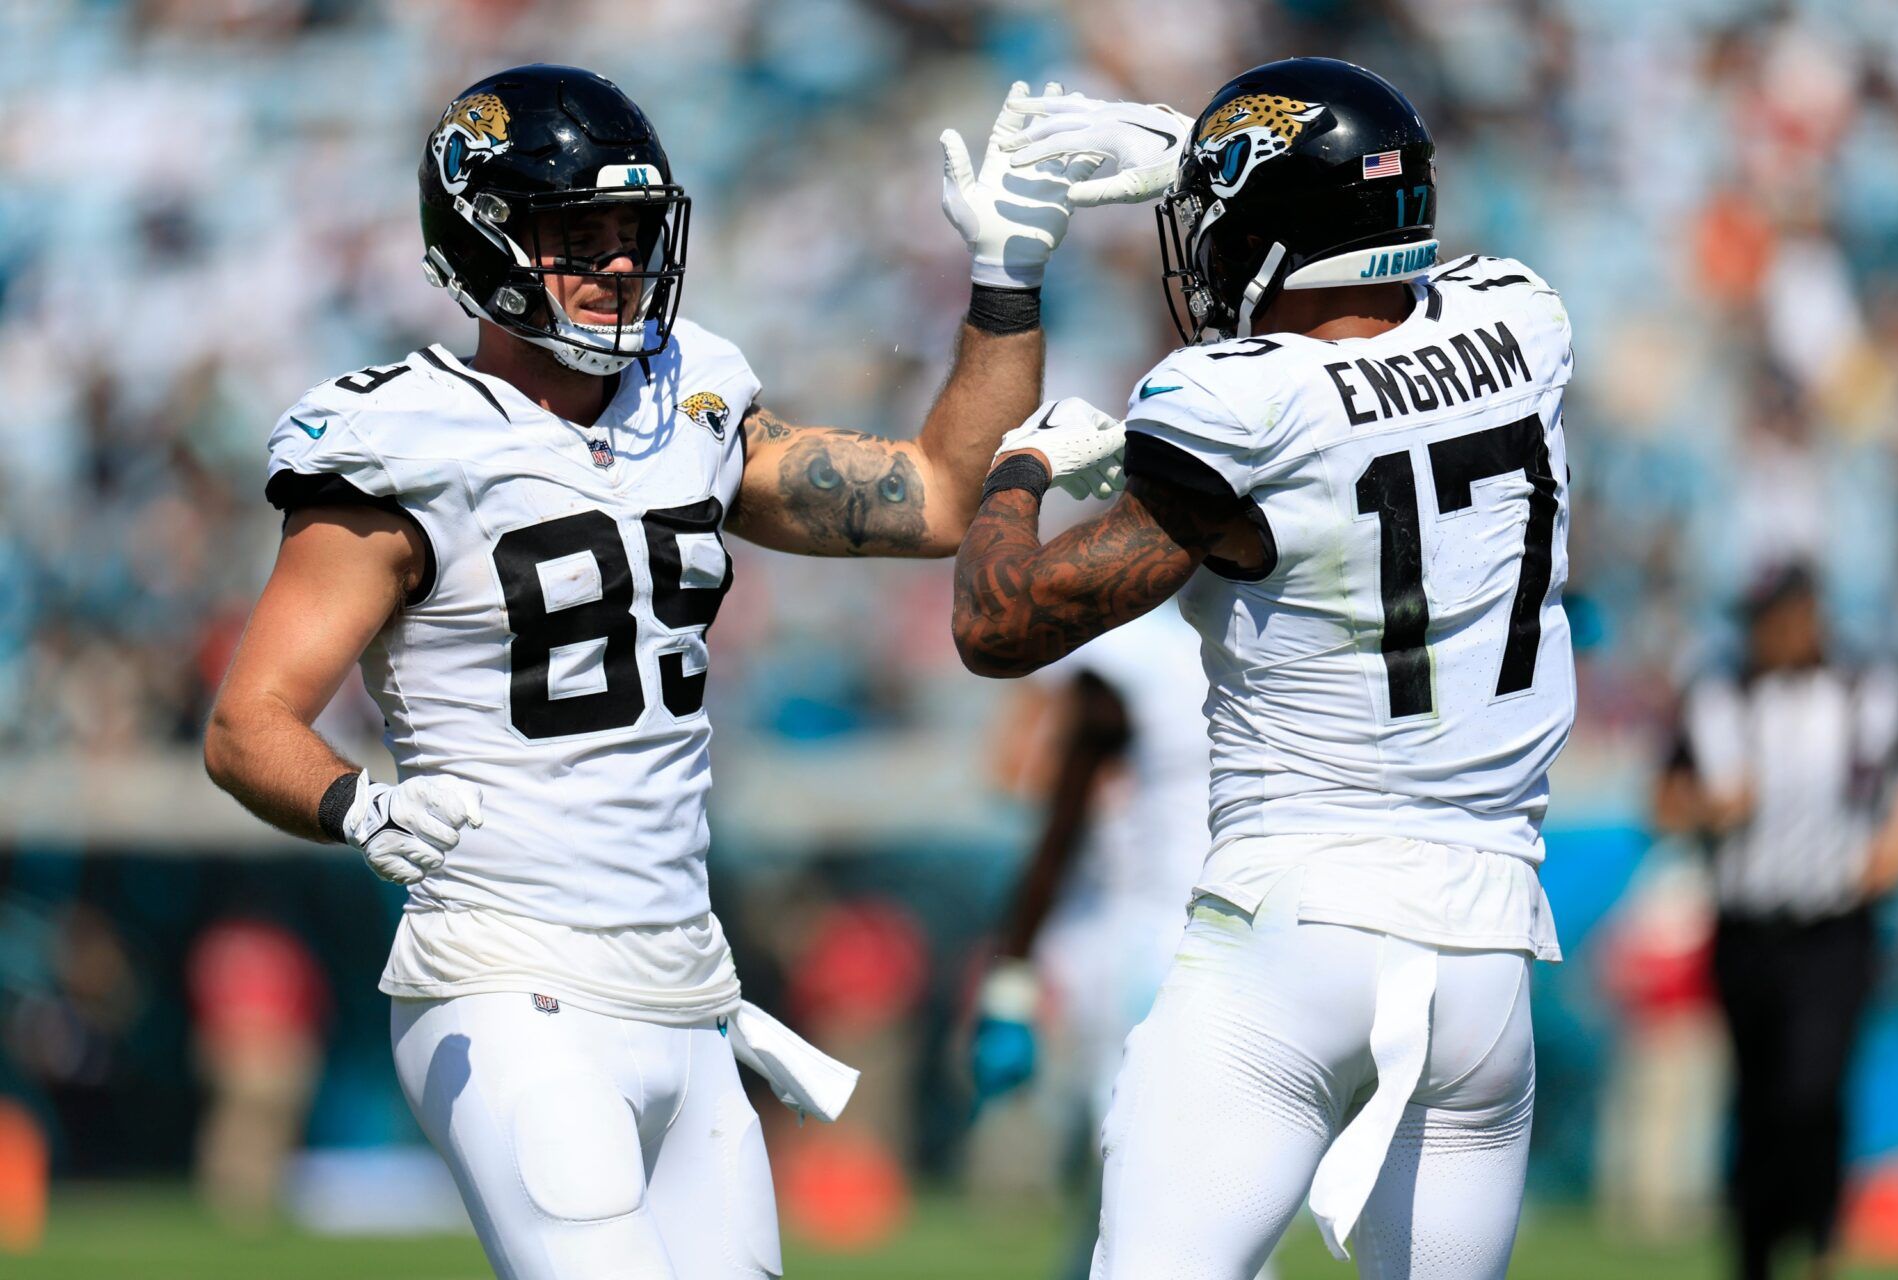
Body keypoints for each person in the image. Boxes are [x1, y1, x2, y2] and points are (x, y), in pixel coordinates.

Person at [202, 64, 1132, 1280]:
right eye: (577, 235)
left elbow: (941, 497)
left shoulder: (685, 399)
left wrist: (1005, 281)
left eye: (632, 231)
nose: (617, 264)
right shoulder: (404, 440)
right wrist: (355, 804)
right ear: (481, 241)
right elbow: (248, 721)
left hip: (689, 982)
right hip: (505, 975)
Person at [953, 57, 1575, 1279]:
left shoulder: (1236, 402)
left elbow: (998, 624)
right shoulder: (1525, 318)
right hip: (1488, 954)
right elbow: (1393, 312)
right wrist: (1219, 160)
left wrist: (1021, 469)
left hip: (1292, 927)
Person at [1654, 563, 1898, 1280]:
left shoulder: (1869, 687)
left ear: (1809, 617)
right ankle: (1755, 1250)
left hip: (1836, 926)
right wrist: (1710, 806)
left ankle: (1821, 1243)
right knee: (1759, 1097)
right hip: (1747, 929)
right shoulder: (1718, 695)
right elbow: (1662, 799)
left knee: (1815, 1088)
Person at [971, 602, 1214, 1278]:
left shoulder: (1117, 654)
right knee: (1164, 1178)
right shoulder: (1239, 626)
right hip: (1256, 916)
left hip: (1145, 936)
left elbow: (1043, 799)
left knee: (1146, 1180)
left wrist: (1010, 974)